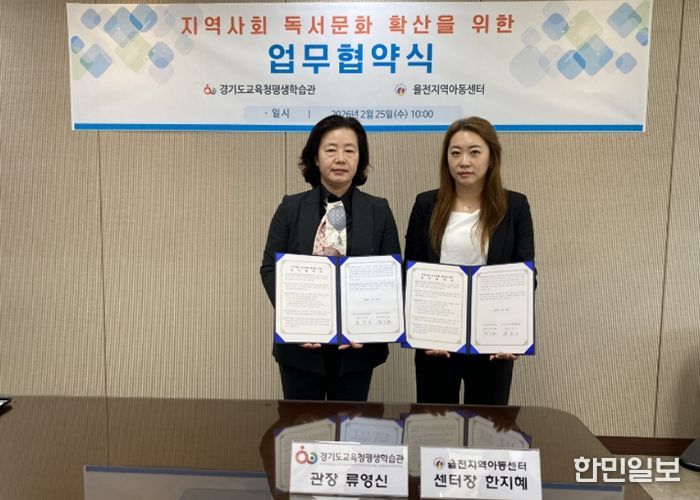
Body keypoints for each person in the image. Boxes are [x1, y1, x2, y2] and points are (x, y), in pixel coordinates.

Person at [260, 115, 401, 401]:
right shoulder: (290, 208)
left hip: (357, 349)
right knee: (301, 424)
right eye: (331, 149)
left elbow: (392, 276)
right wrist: (295, 322)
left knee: (351, 425)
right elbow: (270, 268)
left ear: (360, 159)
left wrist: (370, 327)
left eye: (350, 150)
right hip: (300, 348)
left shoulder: (379, 210)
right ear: (315, 157)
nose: (340, 158)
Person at [405, 116, 535, 405]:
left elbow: (525, 277)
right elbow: (411, 273)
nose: (464, 161)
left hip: (492, 344)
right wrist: (423, 332)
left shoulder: (515, 206)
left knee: (487, 425)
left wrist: (513, 336)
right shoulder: (426, 205)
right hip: (436, 341)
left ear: (491, 157)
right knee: (435, 424)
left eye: (474, 152)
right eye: (455, 153)